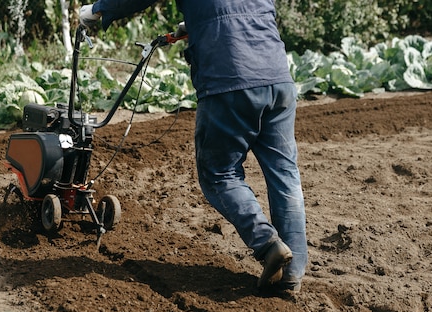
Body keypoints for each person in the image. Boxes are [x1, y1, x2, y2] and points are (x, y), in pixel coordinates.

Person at [80, 0, 308, 296]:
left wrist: (97, 10)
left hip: (229, 80)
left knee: (219, 174)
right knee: (284, 174)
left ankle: (267, 243)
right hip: (278, 76)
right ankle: (292, 275)